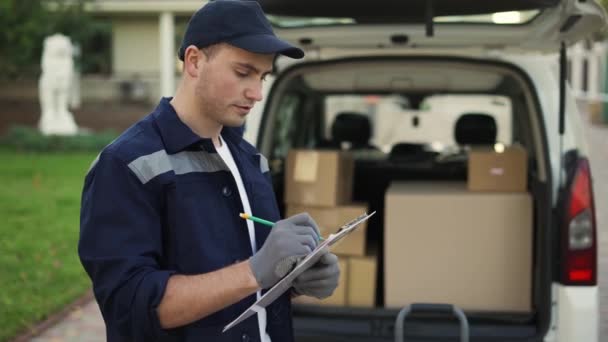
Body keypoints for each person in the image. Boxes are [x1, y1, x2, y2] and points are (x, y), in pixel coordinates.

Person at [78, 1, 340, 341]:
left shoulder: (251, 161)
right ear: (194, 61)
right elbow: (129, 305)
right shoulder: (126, 164)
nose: (257, 93)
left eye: (262, 76)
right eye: (243, 72)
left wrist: (293, 280)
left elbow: (248, 286)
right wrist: (254, 271)